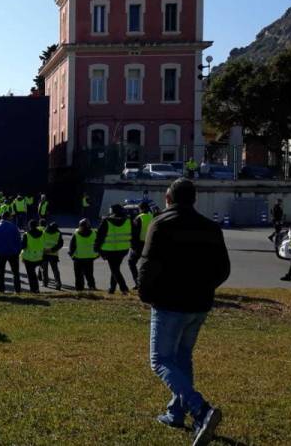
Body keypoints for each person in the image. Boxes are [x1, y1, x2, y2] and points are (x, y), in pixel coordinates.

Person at [138, 178, 229, 444]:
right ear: (194, 199)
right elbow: (223, 268)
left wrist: (146, 294)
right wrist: (205, 287)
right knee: (182, 358)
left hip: (169, 303)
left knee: (161, 361)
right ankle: (176, 413)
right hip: (199, 304)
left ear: (168, 198)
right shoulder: (211, 228)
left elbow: (148, 264)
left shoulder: (162, 223)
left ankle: (201, 409)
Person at [96, 204, 131, 295]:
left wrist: (97, 248)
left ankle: (124, 288)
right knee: (115, 268)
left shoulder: (106, 221)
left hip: (110, 250)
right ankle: (112, 288)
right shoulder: (128, 220)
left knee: (114, 269)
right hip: (123, 249)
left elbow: (100, 236)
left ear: (112, 211)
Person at [0, 212, 21, 293]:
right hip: (13, 252)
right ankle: (17, 290)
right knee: (15, 272)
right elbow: (19, 240)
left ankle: (1, 290)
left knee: (1, 272)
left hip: (1, 252)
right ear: (8, 217)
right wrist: (18, 250)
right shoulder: (14, 227)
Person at [128, 202, 154, 289]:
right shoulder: (152, 217)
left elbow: (134, 233)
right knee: (146, 265)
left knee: (131, 263)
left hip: (139, 244)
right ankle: (148, 283)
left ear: (141, 209)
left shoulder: (139, 218)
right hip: (149, 244)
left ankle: (138, 283)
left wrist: (132, 245)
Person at [69, 218, 98, 291]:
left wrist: (72, 256)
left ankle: (79, 289)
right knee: (89, 275)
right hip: (89, 258)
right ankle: (92, 287)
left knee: (78, 276)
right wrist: (97, 255)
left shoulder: (76, 234)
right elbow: (98, 245)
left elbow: (71, 247)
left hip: (78, 258)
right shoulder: (94, 233)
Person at [20, 220, 43, 293]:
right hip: (39, 256)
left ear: (29, 226)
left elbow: (23, 246)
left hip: (29, 257)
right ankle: (36, 289)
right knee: (34, 274)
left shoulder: (26, 235)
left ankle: (33, 289)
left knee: (31, 275)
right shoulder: (42, 233)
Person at [40, 221, 63, 290]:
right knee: (55, 270)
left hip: (44, 253)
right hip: (53, 254)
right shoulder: (58, 234)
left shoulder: (44, 232)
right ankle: (58, 283)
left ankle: (45, 283)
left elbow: (40, 241)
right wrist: (52, 249)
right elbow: (60, 244)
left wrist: (43, 249)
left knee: (44, 269)